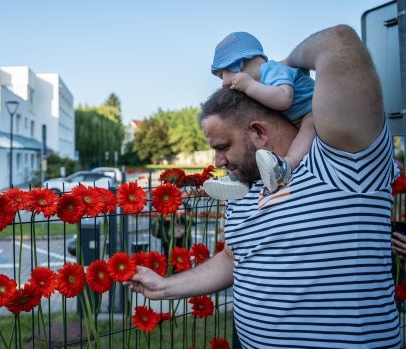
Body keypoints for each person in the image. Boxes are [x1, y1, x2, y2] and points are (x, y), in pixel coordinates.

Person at [125, 25, 400, 348]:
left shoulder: (344, 161)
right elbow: (234, 257)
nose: (218, 162)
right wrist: (164, 287)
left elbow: (339, 42)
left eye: (223, 146)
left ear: (259, 132)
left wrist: (281, 66)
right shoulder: (246, 185)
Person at [203, 32, 315, 200]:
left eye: (221, 76)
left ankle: (286, 166)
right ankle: (241, 179)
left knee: (310, 123)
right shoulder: (261, 85)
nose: (222, 83)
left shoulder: (272, 69)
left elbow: (284, 99)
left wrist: (248, 85)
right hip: (296, 120)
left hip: (313, 112)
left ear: (237, 66)